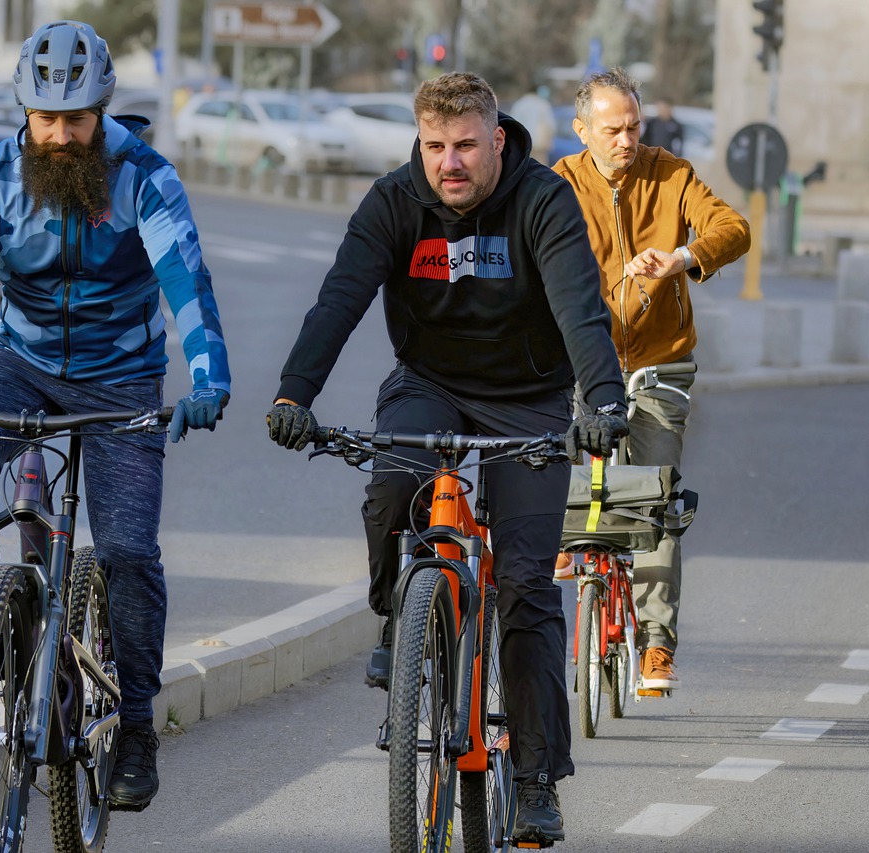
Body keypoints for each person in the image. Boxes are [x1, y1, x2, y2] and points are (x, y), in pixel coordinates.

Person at [0, 19, 230, 811]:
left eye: (79, 119)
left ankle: (134, 728)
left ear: (103, 112)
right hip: (17, 361)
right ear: (24, 110)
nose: (61, 136)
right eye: (47, 118)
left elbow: (185, 283)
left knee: (126, 550)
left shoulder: (143, 177)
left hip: (122, 378)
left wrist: (207, 374)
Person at [265, 71, 628, 846]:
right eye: (434, 146)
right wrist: (294, 394)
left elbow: (580, 306)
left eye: (466, 145)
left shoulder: (541, 200)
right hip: (429, 383)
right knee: (389, 489)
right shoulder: (395, 201)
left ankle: (535, 778)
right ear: (419, 143)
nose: (449, 162)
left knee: (528, 583)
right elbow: (340, 297)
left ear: (497, 139)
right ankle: (400, 621)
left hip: (529, 397)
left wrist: (602, 402)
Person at [553, 67, 749, 692]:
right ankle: (570, 541)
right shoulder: (557, 185)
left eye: (634, 126)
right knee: (570, 469)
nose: (626, 139)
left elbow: (733, 229)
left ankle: (656, 642)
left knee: (657, 499)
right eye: (612, 129)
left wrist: (682, 259)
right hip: (585, 359)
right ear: (582, 130)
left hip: (661, 358)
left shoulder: (671, 174)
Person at [510, 85, 555, 164]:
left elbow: (512, 125)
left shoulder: (519, 104)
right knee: (541, 170)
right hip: (540, 144)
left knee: (525, 169)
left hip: (523, 144)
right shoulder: (543, 104)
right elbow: (551, 125)